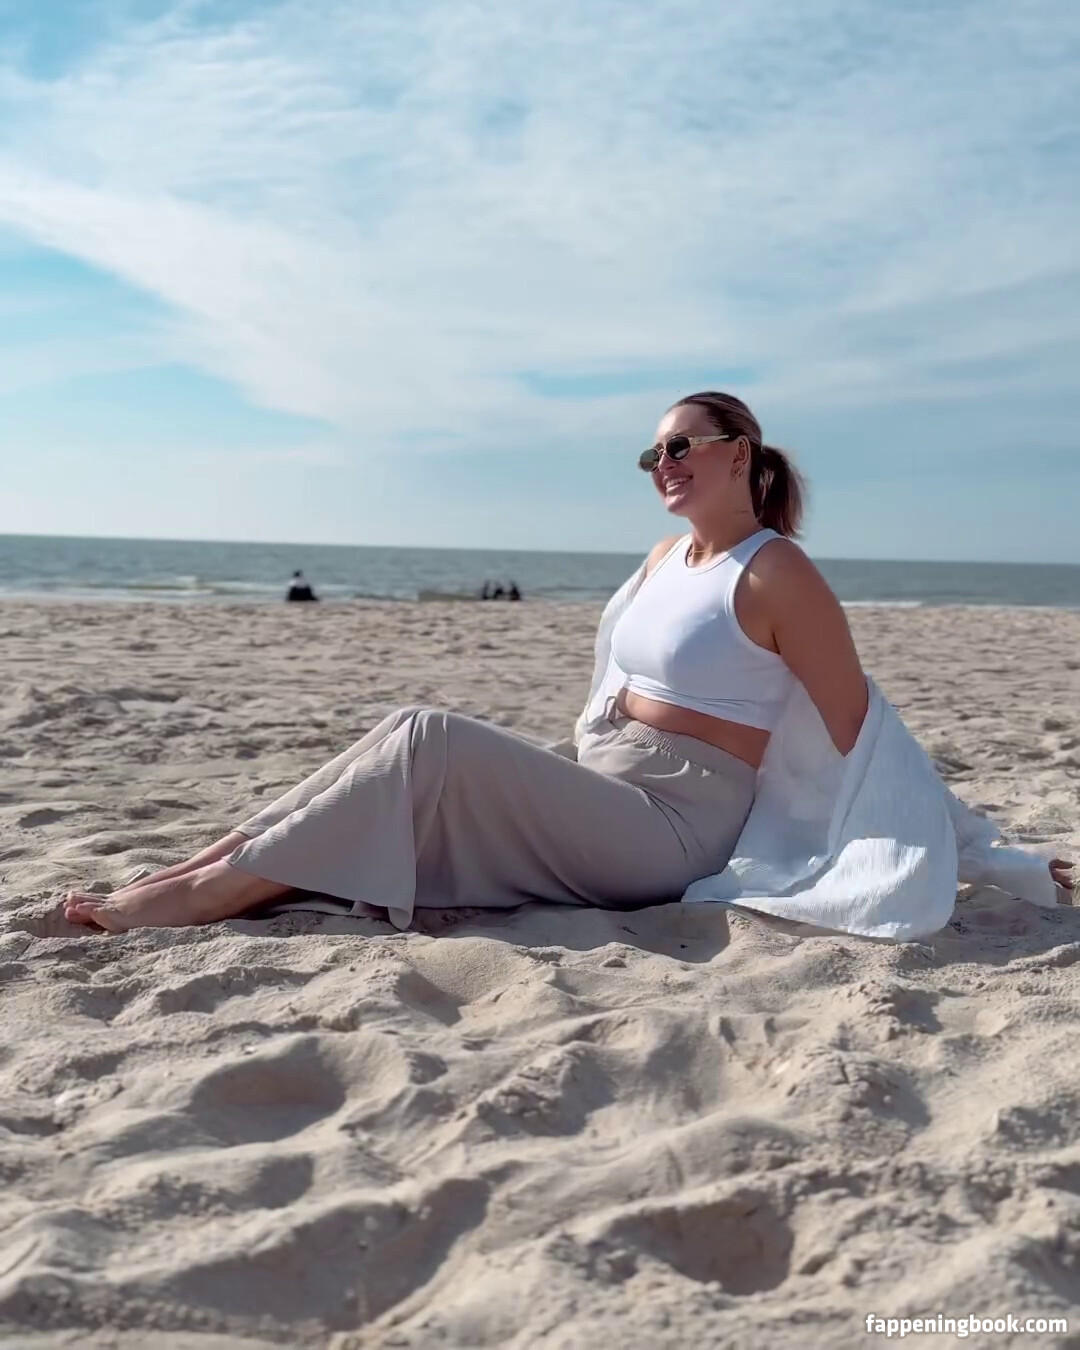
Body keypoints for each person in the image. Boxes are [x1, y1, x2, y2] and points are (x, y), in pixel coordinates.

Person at [61, 391, 1072, 933]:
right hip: (606, 783)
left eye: (681, 447)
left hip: (671, 828)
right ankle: (202, 867)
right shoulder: (664, 558)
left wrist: (994, 855)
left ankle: (209, 896)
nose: (663, 465)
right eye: (652, 455)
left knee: (429, 736)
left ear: (739, 453)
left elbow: (864, 734)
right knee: (401, 733)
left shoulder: (777, 573)